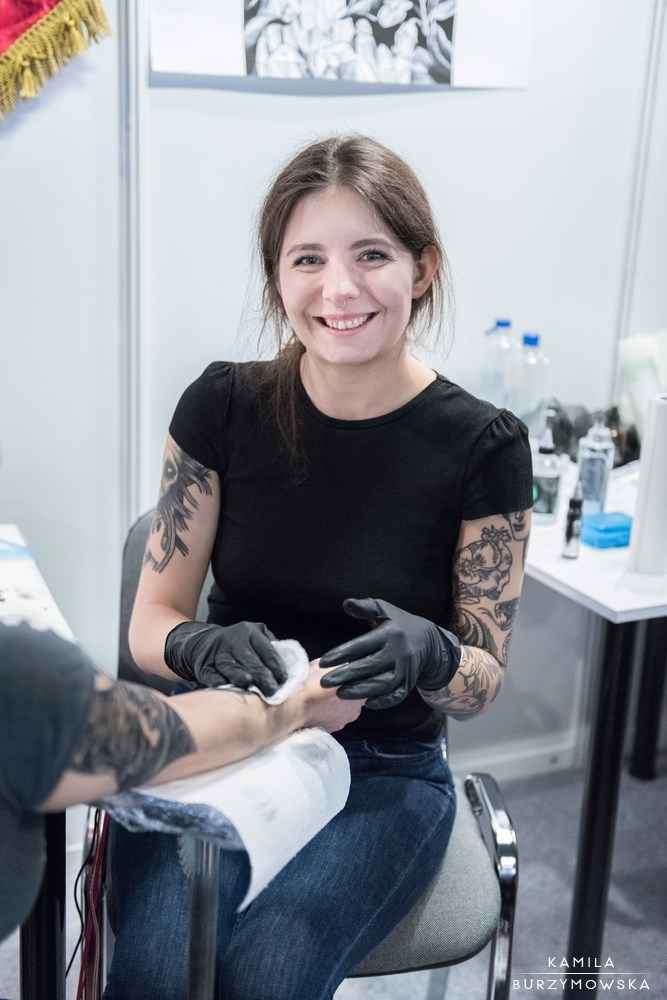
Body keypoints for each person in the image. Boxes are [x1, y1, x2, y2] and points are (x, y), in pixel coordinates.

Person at [105, 133, 534, 1000]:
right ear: (277, 280)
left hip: (384, 766)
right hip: (229, 734)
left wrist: (435, 657)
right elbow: (152, 623)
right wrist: (196, 646)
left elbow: (480, 682)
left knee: (269, 970)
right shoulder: (223, 406)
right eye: (308, 259)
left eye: (370, 254)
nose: (338, 290)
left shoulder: (483, 445)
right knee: (160, 963)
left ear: (421, 269)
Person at [0, 620, 360, 943]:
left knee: (268, 968)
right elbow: (156, 730)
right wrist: (302, 701)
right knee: (159, 965)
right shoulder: (23, 682)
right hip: (256, 711)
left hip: (370, 756)